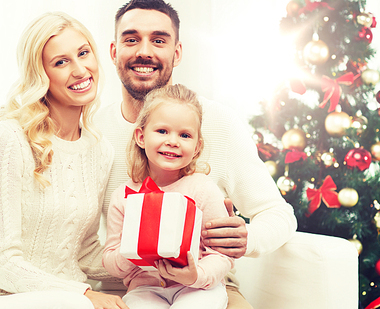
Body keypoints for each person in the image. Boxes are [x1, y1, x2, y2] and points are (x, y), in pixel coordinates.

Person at [94, 1, 298, 308]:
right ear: (114, 51)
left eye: (159, 40)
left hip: (206, 284)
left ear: (176, 53)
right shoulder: (92, 130)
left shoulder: (218, 123)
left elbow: (279, 214)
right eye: (131, 39)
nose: (144, 51)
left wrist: (247, 238)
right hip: (121, 288)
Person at [0, 11, 128, 309]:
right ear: (40, 74)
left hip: (67, 300)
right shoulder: (8, 140)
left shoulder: (99, 150)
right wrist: (82, 294)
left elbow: (84, 251)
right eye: (61, 62)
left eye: (83, 53)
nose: (79, 69)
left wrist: (144, 265)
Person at [103, 84, 234, 309]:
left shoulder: (203, 190)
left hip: (198, 287)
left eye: (184, 135)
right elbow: (110, 259)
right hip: (145, 288)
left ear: (196, 147)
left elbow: (222, 255)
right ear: (141, 137)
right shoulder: (124, 197)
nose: (172, 141)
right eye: (162, 131)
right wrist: (133, 249)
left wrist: (197, 275)